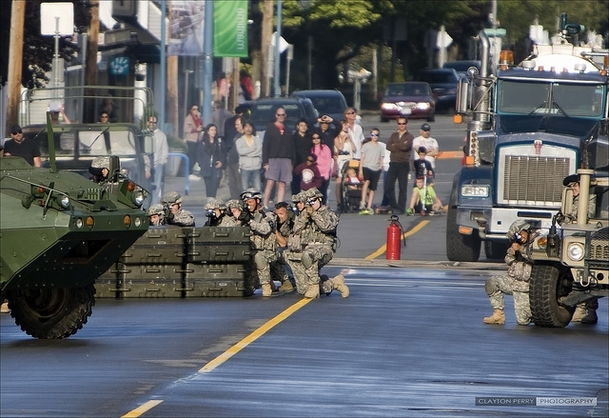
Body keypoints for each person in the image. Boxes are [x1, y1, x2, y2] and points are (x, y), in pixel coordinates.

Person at [284, 188, 349, 299]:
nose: (311, 205)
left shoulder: (330, 213)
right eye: (309, 202)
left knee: (308, 255)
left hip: (324, 248)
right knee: (303, 289)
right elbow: (296, 230)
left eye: (313, 201)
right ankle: (333, 283)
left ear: (320, 199)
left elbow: (327, 226)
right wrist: (304, 217)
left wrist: (314, 215)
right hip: (307, 249)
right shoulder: (305, 214)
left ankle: (314, 286)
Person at [483, 220, 536, 326]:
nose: (521, 238)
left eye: (520, 234)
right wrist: (513, 252)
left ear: (526, 231)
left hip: (527, 286)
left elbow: (536, 258)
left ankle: (537, 314)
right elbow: (507, 260)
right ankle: (498, 315)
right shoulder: (519, 244)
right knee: (492, 283)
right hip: (513, 281)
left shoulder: (538, 243)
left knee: (523, 321)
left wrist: (521, 250)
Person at [561, 174, 598, 324]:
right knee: (580, 275)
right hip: (577, 242)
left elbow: (589, 216)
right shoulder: (573, 200)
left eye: (574, 186)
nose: (573, 189)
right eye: (570, 188)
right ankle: (583, 308)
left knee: (590, 275)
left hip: (592, 239)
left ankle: (587, 310)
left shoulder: (591, 199)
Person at [240, 188, 280, 297]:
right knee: (246, 290)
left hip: (267, 252)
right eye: (246, 202)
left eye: (250, 201)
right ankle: (268, 282)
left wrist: (250, 221)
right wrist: (239, 220)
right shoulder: (246, 215)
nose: (248, 204)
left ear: (258, 201)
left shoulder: (267, 214)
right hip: (250, 252)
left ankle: (266, 285)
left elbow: (265, 229)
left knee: (259, 257)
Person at [262, 106, 294, 208]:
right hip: (272, 159)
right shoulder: (270, 128)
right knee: (270, 182)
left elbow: (292, 146)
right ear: (276, 115)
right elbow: (265, 145)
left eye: (283, 115)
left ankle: (279, 205)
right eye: (279, 115)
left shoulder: (288, 130)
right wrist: (265, 162)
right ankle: (265, 205)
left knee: (282, 183)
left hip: (286, 159)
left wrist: (292, 161)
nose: (281, 116)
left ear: (285, 116)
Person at [385, 117, 414, 214]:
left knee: (402, 187)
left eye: (403, 124)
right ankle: (394, 206)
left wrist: (395, 145)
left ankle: (401, 208)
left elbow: (406, 147)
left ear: (406, 124)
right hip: (393, 163)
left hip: (403, 164)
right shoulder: (393, 135)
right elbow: (388, 146)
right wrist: (399, 145)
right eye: (399, 124)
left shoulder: (409, 136)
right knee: (388, 187)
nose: (401, 126)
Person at [196, 124, 226, 201]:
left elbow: (224, 153)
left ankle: (212, 203)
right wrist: (201, 164)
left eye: (215, 130)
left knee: (214, 187)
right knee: (208, 188)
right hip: (206, 168)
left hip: (216, 168)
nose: (214, 132)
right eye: (212, 130)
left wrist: (221, 162)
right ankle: (209, 204)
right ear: (208, 131)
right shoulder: (203, 143)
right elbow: (199, 154)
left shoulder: (219, 142)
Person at [358, 128, 384, 215]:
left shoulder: (380, 147)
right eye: (373, 135)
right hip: (367, 166)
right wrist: (360, 170)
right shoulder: (366, 146)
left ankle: (369, 206)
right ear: (370, 136)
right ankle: (362, 202)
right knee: (367, 182)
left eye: (376, 135)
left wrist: (380, 167)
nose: (374, 137)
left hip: (376, 168)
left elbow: (381, 158)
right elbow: (362, 158)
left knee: (373, 188)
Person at [224, 108, 248, 199]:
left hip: (239, 163)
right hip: (231, 162)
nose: (236, 126)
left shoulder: (246, 136)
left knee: (239, 184)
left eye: (238, 124)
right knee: (232, 183)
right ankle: (235, 201)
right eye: (235, 125)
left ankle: (241, 201)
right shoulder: (237, 135)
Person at [272, 201, 296, 292]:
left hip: (293, 256)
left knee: (278, 252)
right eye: (276, 214)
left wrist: (274, 230)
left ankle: (290, 279)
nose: (278, 216)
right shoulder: (277, 223)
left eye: (281, 214)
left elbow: (283, 243)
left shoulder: (293, 224)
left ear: (288, 213)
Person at [333, 119, 357, 207]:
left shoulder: (349, 136)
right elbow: (339, 148)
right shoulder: (337, 137)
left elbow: (354, 149)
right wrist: (343, 139)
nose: (346, 127)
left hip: (349, 159)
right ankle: (339, 201)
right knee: (339, 180)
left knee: (352, 177)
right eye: (344, 126)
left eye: (347, 126)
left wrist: (350, 140)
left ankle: (352, 198)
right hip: (341, 159)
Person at [147, 116, 169, 204]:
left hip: (157, 165)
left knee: (156, 186)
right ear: (147, 123)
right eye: (151, 122)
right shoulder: (144, 134)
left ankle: (154, 205)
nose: (152, 124)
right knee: (145, 186)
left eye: (154, 123)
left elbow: (164, 150)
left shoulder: (161, 135)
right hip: (146, 165)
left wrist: (162, 162)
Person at [236, 121, 263, 191]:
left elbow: (259, 151)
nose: (248, 129)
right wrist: (253, 149)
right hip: (245, 167)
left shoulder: (257, 139)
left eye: (250, 126)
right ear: (243, 128)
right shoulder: (239, 140)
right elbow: (241, 151)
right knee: (244, 189)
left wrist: (247, 154)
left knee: (258, 189)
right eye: (246, 127)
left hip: (256, 167)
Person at [310, 131, 333, 204]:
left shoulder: (325, 148)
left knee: (323, 192)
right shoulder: (311, 149)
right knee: (316, 193)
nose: (316, 140)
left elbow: (329, 160)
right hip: (316, 174)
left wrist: (327, 173)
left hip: (324, 174)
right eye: (314, 138)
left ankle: (324, 207)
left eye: (318, 138)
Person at [291, 118, 313, 194]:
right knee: (295, 184)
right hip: (297, 163)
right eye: (301, 125)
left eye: (305, 125)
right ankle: (295, 203)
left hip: (307, 163)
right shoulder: (293, 137)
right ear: (297, 126)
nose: (303, 127)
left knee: (307, 184)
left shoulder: (310, 137)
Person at [183, 104, 204, 179]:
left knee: (197, 155)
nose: (196, 111)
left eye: (197, 109)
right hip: (191, 139)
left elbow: (201, 126)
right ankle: (189, 172)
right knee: (192, 156)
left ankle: (192, 170)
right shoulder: (188, 118)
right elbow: (186, 129)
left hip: (198, 139)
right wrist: (195, 130)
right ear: (191, 110)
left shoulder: (198, 118)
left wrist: (199, 117)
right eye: (194, 109)